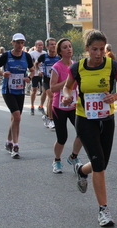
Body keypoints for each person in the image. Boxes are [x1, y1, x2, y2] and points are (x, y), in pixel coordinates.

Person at [62, 29, 117, 227]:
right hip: (85, 119)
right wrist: (67, 95)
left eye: (101, 49)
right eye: (94, 50)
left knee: (102, 162)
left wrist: (114, 97)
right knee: (99, 164)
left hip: (107, 119)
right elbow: (67, 86)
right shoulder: (78, 68)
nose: (98, 54)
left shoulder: (112, 66)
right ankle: (103, 210)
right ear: (87, 49)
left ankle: (82, 171)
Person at [0, 33, 35, 158]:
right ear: (12, 42)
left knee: (15, 118)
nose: (20, 45)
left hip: (20, 91)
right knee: (17, 117)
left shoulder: (26, 56)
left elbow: (32, 70)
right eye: (17, 42)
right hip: (8, 91)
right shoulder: (6, 56)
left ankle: (8, 141)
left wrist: (29, 77)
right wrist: (2, 73)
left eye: (22, 42)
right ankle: (15, 146)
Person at [50, 38, 83, 174]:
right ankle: (57, 161)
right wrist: (67, 82)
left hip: (74, 104)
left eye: (70, 46)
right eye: (65, 47)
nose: (69, 49)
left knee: (83, 132)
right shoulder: (57, 67)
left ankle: (73, 156)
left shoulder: (76, 65)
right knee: (62, 138)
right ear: (60, 51)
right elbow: (52, 88)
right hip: (59, 106)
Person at [36, 38, 60, 129]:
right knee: (51, 97)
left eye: (55, 44)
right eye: (51, 44)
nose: (53, 46)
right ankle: (51, 119)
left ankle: (46, 115)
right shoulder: (43, 57)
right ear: (47, 47)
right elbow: (36, 63)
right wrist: (39, 70)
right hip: (46, 80)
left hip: (56, 80)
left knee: (52, 100)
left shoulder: (58, 57)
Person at [29, 40, 47, 116]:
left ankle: (41, 105)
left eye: (41, 45)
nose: (40, 46)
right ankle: (32, 106)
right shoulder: (32, 54)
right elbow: (29, 64)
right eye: (39, 45)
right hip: (35, 74)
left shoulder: (45, 53)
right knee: (34, 90)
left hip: (43, 74)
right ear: (36, 46)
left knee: (44, 91)